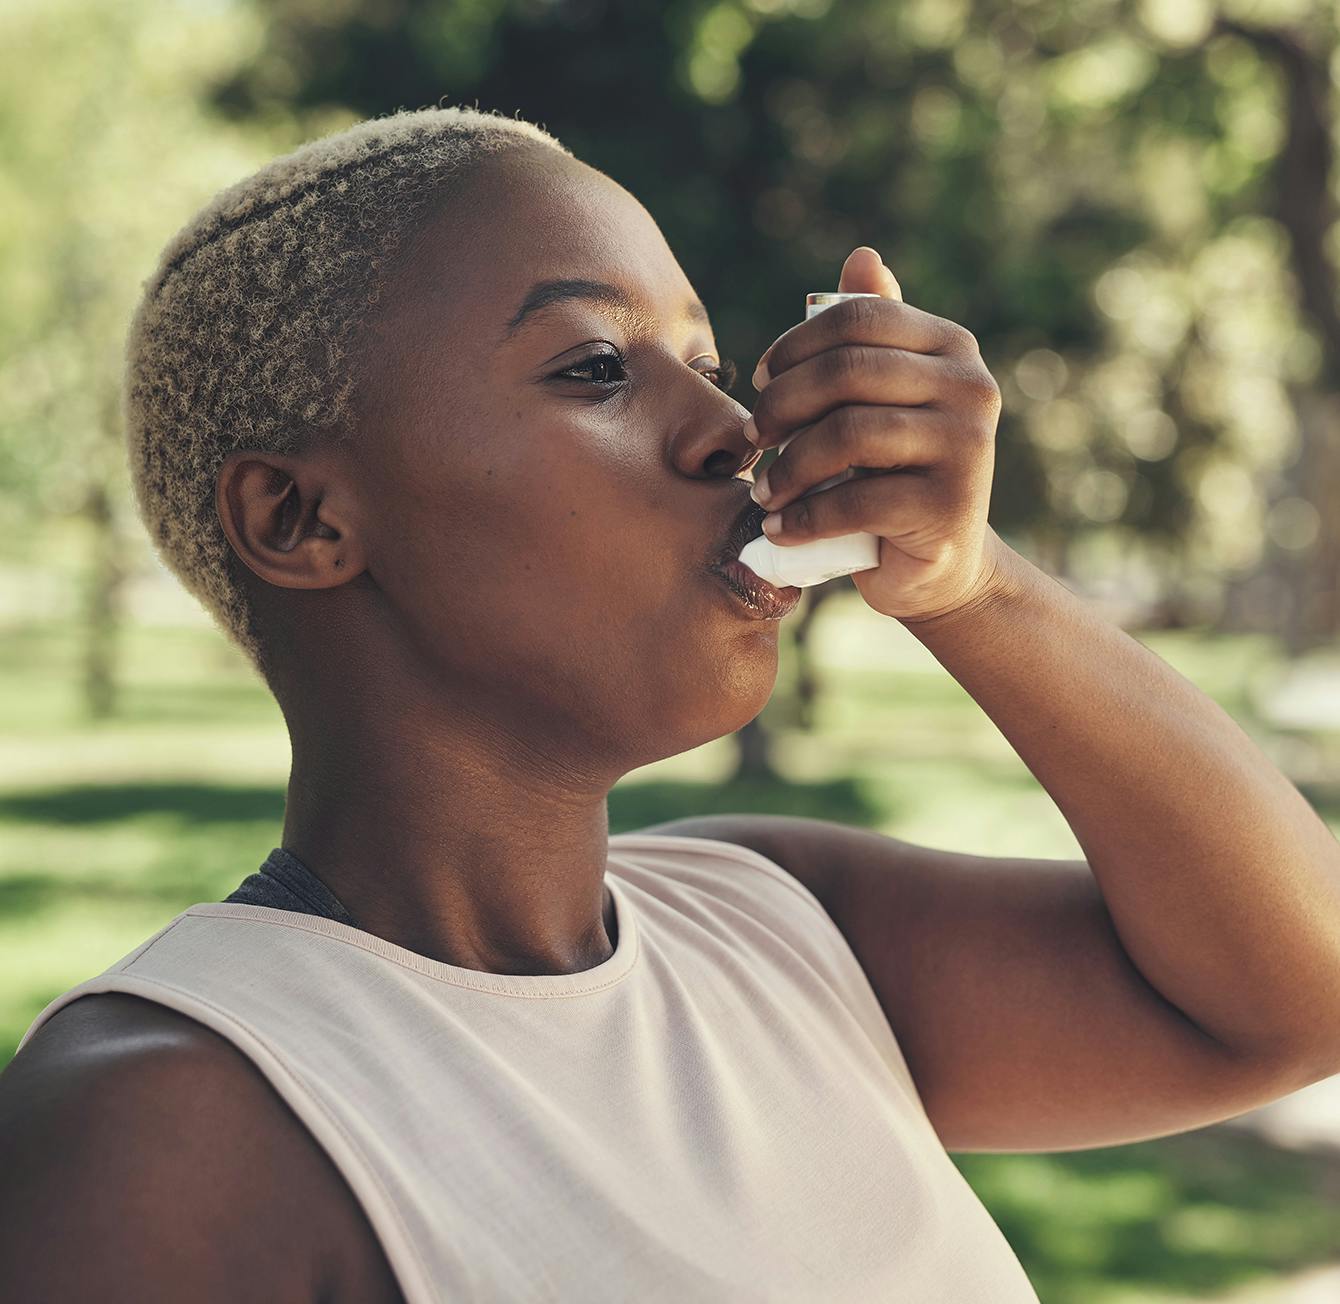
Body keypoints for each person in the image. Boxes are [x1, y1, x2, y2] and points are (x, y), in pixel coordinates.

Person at [5, 102, 1338, 1303]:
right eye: (594, 366)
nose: (734, 432)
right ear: (300, 517)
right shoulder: (170, 1122)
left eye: (703, 361)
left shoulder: (780, 924)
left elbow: (1298, 997)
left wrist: (970, 585)